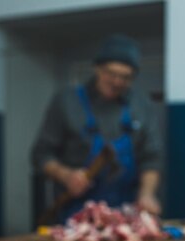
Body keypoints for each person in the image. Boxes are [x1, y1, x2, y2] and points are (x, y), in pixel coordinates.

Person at [32, 34, 162, 222]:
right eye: (111, 74)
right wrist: (66, 175)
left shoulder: (141, 105)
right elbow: (41, 155)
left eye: (125, 77)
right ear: (97, 68)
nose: (117, 82)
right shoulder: (67, 102)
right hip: (76, 212)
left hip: (125, 213)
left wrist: (147, 194)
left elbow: (152, 157)